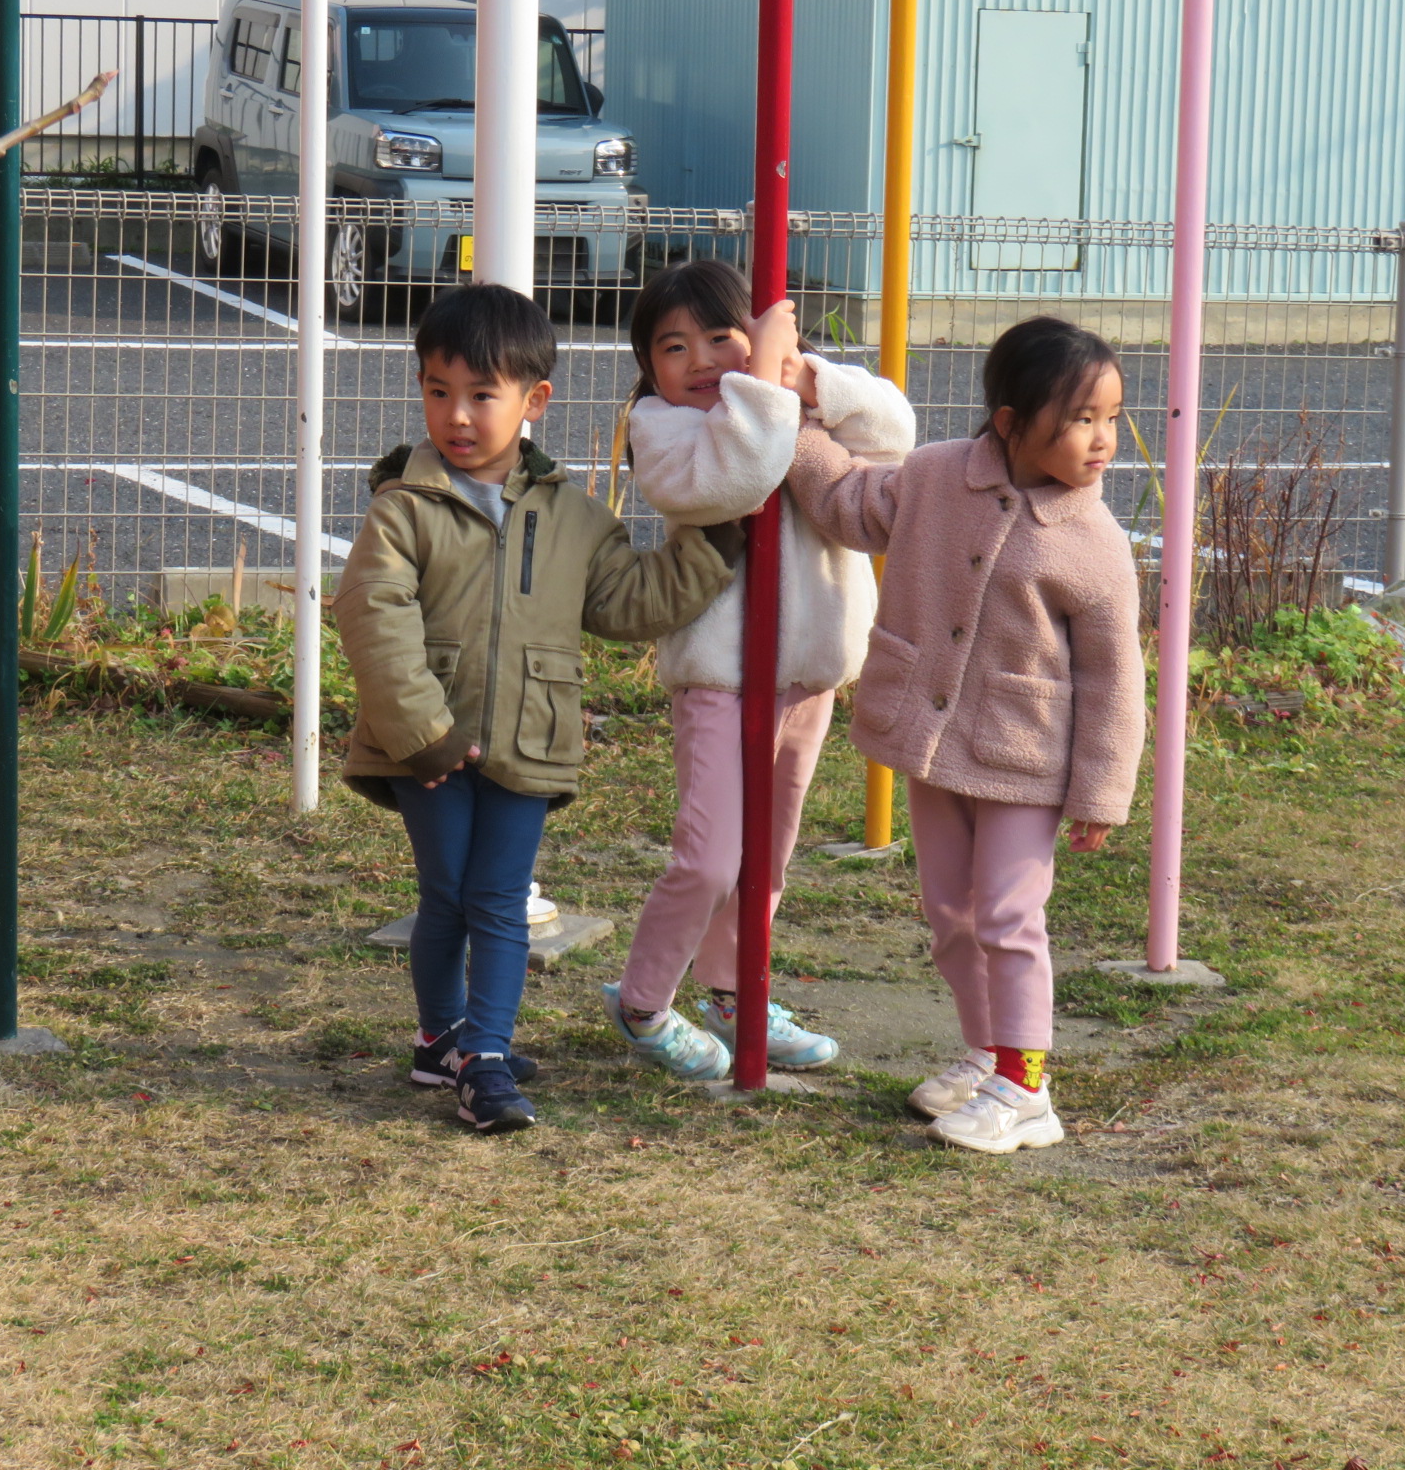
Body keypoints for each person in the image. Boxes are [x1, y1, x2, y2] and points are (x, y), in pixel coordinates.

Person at [334, 283, 741, 1133]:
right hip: (429, 747)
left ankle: (482, 1056)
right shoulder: (403, 507)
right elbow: (372, 614)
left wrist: (713, 544)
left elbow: (627, 603)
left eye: (482, 394)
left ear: (534, 400)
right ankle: (442, 1039)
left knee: (498, 897)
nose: (458, 415)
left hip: (532, 741)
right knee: (447, 897)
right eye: (438, 391)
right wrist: (422, 733)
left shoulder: (574, 518)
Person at [783, 316, 1146, 1154]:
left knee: (1009, 916)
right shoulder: (938, 475)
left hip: (1027, 758)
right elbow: (850, 503)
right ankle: (987, 1053)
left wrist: (1101, 794)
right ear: (1010, 422)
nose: (1103, 440)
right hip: (932, 740)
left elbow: (1115, 679)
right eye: (1082, 419)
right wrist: (791, 425)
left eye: (1113, 418)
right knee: (951, 913)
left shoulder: (1095, 543)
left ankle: (1027, 1089)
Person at [597, 260, 914, 1079]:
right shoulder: (664, 429)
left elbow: (896, 431)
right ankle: (642, 1001)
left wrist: (806, 378)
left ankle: (737, 992)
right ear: (648, 367)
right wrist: (764, 378)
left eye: (720, 337)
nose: (700, 361)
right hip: (720, 677)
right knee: (709, 856)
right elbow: (736, 478)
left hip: (806, 673)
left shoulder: (793, 396)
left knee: (767, 853)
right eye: (673, 347)